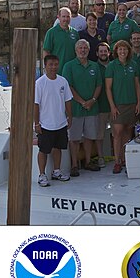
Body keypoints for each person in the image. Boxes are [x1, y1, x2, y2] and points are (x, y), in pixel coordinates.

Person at [62, 40, 103, 175]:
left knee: (89, 136)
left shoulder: (95, 66)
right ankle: (74, 165)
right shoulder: (69, 66)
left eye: (85, 48)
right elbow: (69, 87)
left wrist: (92, 100)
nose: (83, 50)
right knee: (74, 138)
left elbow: (99, 85)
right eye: (80, 48)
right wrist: (81, 102)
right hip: (75, 109)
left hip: (92, 107)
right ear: (76, 50)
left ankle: (87, 161)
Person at [104, 40, 140, 174]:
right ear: (116, 52)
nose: (122, 52)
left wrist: (138, 102)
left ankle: (126, 160)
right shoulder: (112, 66)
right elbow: (108, 88)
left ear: (128, 51)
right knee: (117, 134)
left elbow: (137, 85)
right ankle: (117, 161)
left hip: (131, 103)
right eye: (120, 50)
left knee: (127, 133)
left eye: (124, 49)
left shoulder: (134, 65)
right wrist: (112, 106)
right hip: (118, 105)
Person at [34, 54, 72, 186]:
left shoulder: (63, 81)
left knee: (58, 148)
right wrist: (37, 123)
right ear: (45, 66)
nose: (53, 67)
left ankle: (56, 171)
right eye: (50, 64)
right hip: (45, 124)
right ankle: (42, 174)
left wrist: (69, 117)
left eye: (55, 64)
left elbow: (67, 100)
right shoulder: (39, 83)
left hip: (61, 122)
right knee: (43, 150)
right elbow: (35, 104)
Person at [94, 42, 112, 167]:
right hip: (101, 106)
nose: (103, 53)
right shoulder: (94, 67)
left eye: (105, 51)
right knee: (99, 134)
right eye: (101, 51)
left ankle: (119, 157)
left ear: (109, 52)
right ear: (97, 53)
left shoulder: (114, 65)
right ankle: (100, 157)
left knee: (116, 133)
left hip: (115, 106)